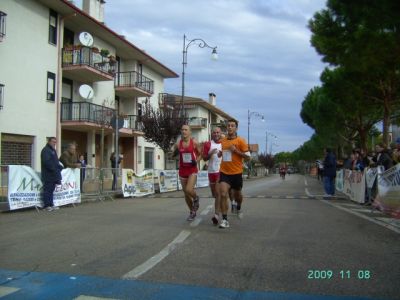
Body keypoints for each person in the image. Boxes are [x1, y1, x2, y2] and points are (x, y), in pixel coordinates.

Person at [218, 119, 250, 229]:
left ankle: (238, 205)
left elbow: (248, 157)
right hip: (224, 172)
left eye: (232, 126)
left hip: (236, 173)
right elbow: (222, 153)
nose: (230, 127)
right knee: (223, 194)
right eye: (228, 126)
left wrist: (236, 151)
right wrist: (219, 153)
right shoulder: (223, 141)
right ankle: (225, 219)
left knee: (238, 195)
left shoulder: (241, 141)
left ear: (236, 128)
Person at [171, 124, 201, 221]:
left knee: (189, 189)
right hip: (182, 170)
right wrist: (171, 153)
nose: (183, 131)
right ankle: (192, 212)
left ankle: (196, 198)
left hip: (192, 170)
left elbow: (201, 154)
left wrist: (196, 161)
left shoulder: (195, 143)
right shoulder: (178, 144)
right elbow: (172, 153)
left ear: (190, 132)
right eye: (182, 129)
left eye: (186, 130)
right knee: (186, 194)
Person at [202, 126, 223, 225]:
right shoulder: (208, 144)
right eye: (214, 132)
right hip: (211, 172)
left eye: (218, 132)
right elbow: (204, 158)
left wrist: (221, 154)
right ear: (212, 133)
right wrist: (210, 153)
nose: (216, 134)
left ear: (221, 133)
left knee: (218, 194)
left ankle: (216, 215)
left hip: (221, 171)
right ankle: (220, 207)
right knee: (215, 195)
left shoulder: (224, 144)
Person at [40, 137, 63, 211]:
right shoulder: (46, 150)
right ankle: (46, 205)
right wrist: (54, 168)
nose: (54, 143)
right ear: (49, 142)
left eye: (55, 142)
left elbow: (55, 161)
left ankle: (51, 204)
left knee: (51, 190)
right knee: (47, 190)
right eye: (53, 142)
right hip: (48, 174)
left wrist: (60, 167)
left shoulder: (53, 150)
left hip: (53, 175)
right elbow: (46, 162)